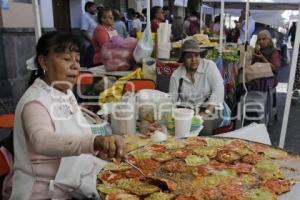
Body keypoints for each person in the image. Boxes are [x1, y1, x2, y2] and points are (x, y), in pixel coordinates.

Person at [10, 31, 125, 199]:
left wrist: (99, 151)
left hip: (69, 185)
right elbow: (42, 141)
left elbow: (76, 133)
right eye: (66, 59)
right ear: (44, 62)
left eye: (77, 60)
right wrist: (94, 142)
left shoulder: (65, 93)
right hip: (43, 193)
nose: (75, 66)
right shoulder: (34, 101)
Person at [169, 39, 224, 135]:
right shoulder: (176, 75)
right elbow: (172, 101)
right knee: (178, 128)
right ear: (183, 59)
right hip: (187, 111)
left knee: (204, 128)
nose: (194, 60)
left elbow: (218, 90)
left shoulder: (209, 66)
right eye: (189, 57)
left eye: (196, 55)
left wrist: (206, 113)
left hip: (212, 108)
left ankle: (205, 149)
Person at [80, 1, 98, 68]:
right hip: (89, 44)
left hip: (94, 44)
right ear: (88, 8)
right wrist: (92, 42)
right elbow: (83, 31)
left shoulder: (92, 17)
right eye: (93, 7)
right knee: (89, 63)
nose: (95, 9)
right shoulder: (85, 16)